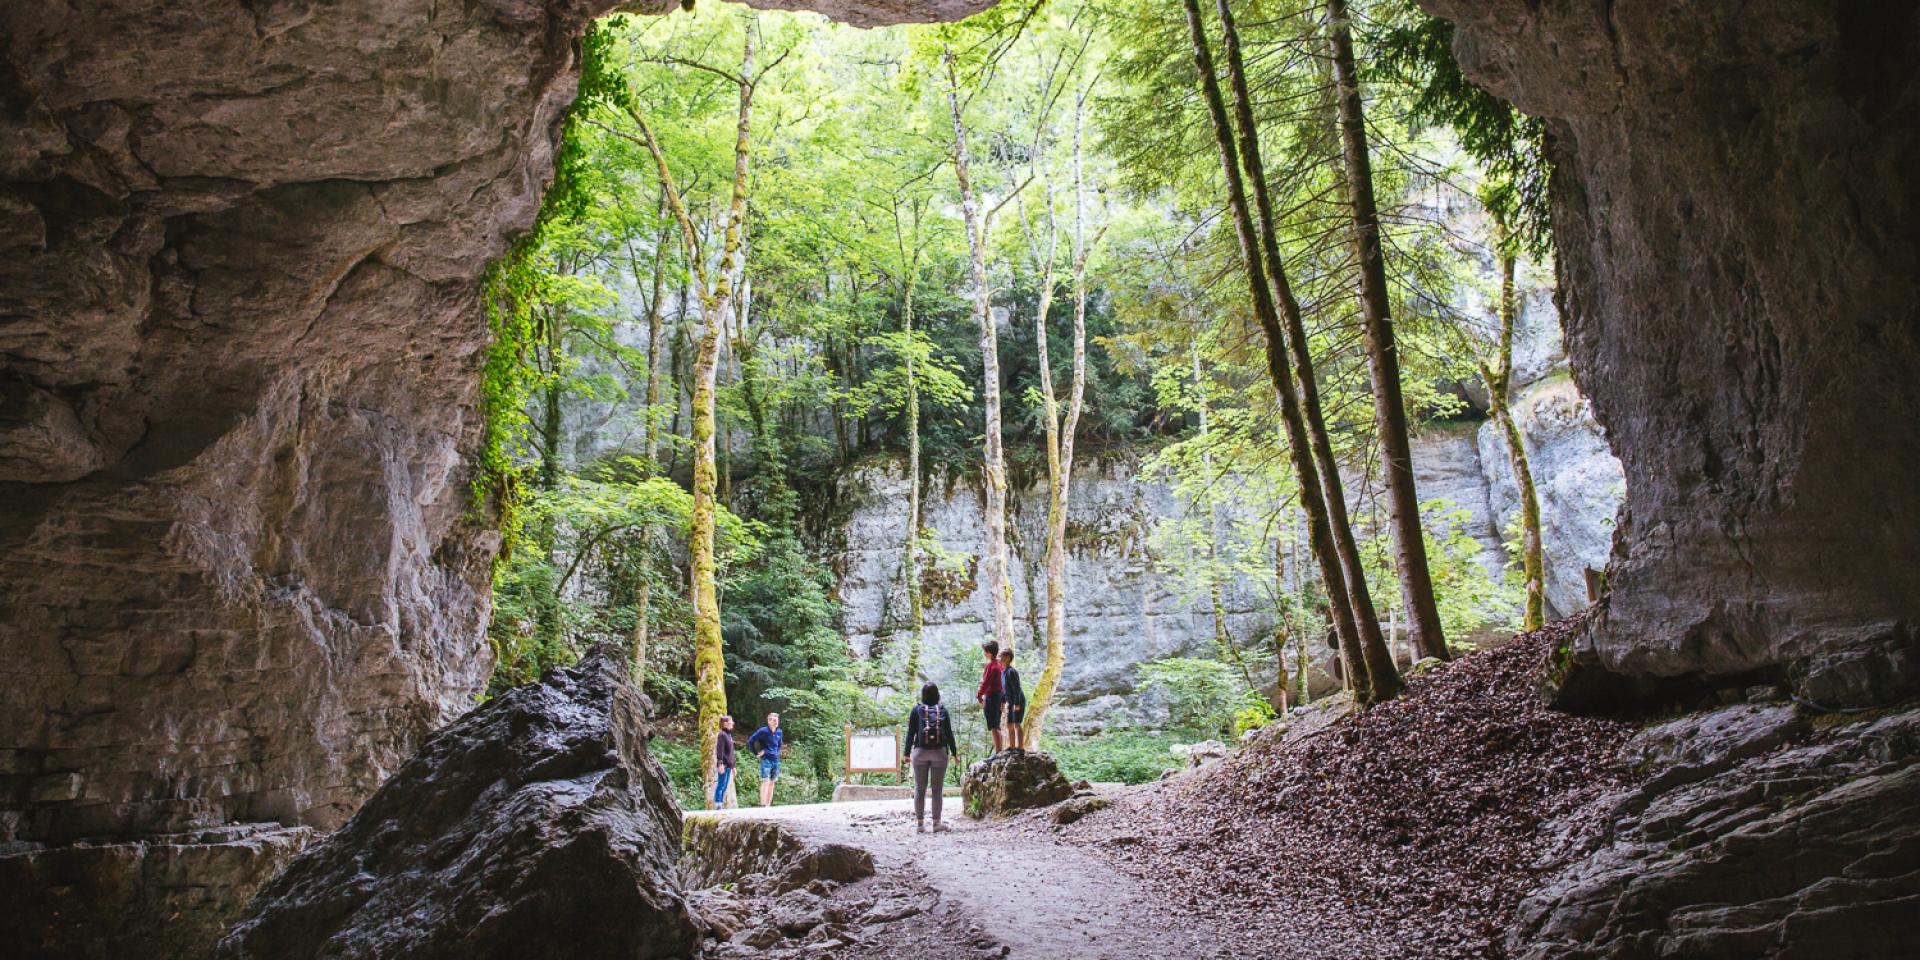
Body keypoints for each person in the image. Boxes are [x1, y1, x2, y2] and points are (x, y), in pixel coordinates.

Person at [905, 682, 958, 833]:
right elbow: (949, 734)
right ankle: (936, 824)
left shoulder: (917, 709)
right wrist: (954, 753)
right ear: (937, 694)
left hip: (920, 752)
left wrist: (906, 753)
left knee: (919, 789)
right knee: (937, 790)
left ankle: (920, 825)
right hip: (939, 753)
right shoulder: (943, 710)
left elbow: (911, 733)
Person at [746, 712, 783, 807]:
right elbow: (751, 741)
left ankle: (768, 804)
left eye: (777, 720)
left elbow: (779, 744)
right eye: (774, 720)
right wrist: (757, 752)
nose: (776, 722)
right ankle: (762, 804)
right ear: (769, 721)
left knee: (772, 781)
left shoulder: (779, 732)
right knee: (765, 780)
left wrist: (777, 753)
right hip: (766, 759)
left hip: (775, 760)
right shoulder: (763, 731)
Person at [976, 640, 1006, 756]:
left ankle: (999, 751)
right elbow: (1003, 685)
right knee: (996, 724)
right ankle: (999, 750)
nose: (984, 653)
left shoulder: (991, 666)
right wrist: (1003, 699)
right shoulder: (1000, 665)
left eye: (985, 651)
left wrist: (979, 695)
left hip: (992, 697)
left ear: (989, 653)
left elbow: (986, 683)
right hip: (999, 696)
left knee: (994, 725)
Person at [999, 648, 1026, 753]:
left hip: (1018, 700)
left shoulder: (1011, 672)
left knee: (1017, 724)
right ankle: (1012, 747)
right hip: (1010, 702)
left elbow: (1016, 688)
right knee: (1009, 724)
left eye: (1002, 657)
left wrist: (1017, 703)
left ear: (1008, 658)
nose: (1000, 659)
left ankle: (1021, 748)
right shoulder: (1003, 673)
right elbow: (1004, 690)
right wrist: (1002, 702)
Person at [711, 715, 735, 809]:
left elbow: (731, 752)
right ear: (725, 724)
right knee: (721, 785)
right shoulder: (722, 735)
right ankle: (718, 804)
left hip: (729, 764)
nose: (733, 723)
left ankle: (720, 804)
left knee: (725, 786)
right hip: (723, 764)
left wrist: (733, 766)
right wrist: (720, 763)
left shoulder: (729, 735)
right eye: (731, 721)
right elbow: (720, 750)